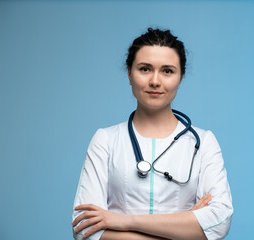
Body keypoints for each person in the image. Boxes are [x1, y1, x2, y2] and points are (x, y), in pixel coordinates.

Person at [72, 28, 233, 240]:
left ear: (181, 77)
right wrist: (186, 225)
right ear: (129, 73)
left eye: (167, 71)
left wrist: (122, 220)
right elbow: (85, 226)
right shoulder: (105, 140)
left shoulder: (203, 142)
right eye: (145, 69)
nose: (155, 81)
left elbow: (219, 222)